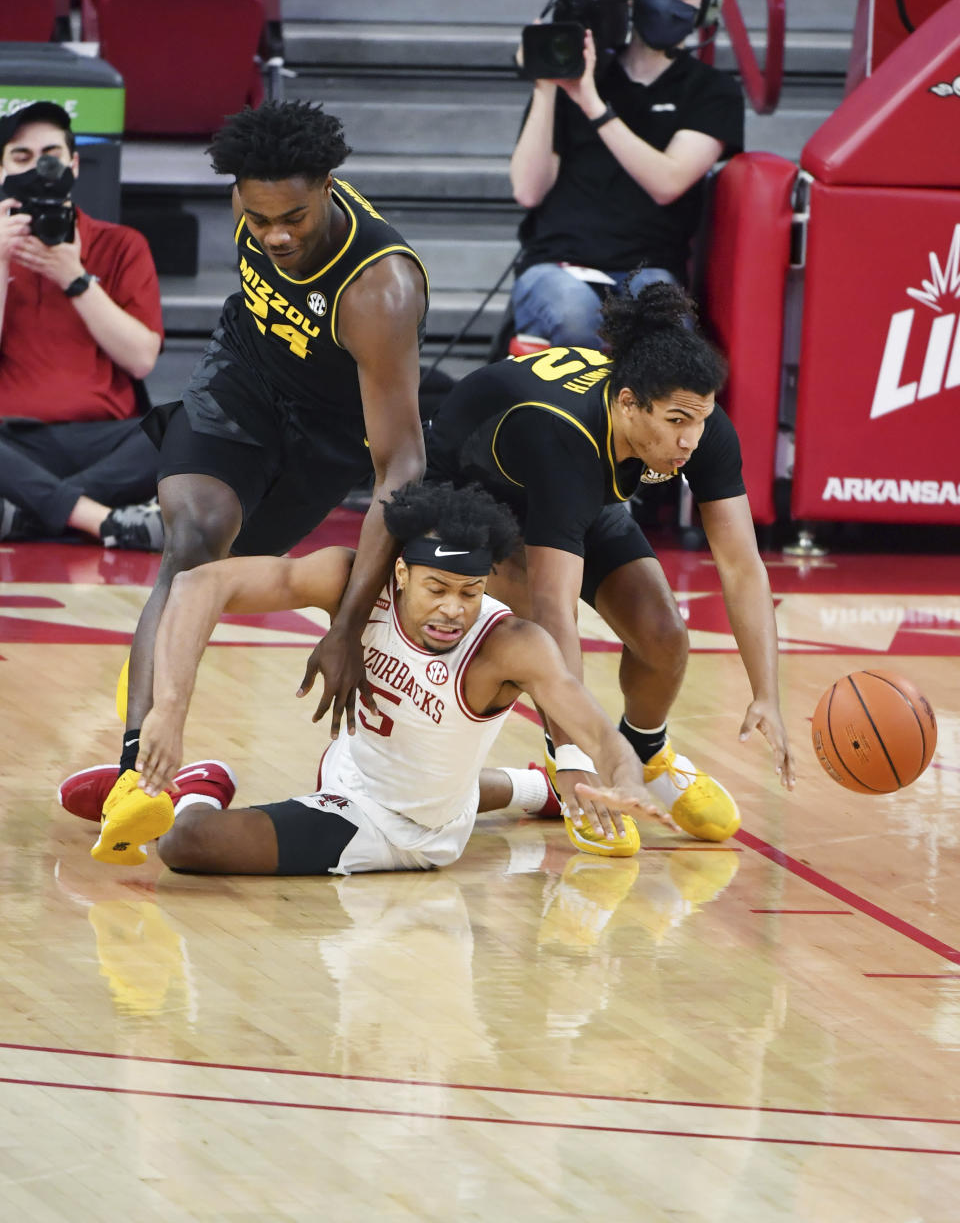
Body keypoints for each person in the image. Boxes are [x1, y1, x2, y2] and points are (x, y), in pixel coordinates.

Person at [58, 482, 674, 872]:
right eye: (437, 588)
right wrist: (168, 710)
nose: (453, 609)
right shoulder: (354, 582)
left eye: (470, 591)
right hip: (354, 773)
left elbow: (594, 726)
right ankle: (534, 790)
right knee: (438, 777)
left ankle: (194, 787)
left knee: (184, 843)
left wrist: (626, 778)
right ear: (402, 574)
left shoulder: (512, 644)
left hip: (405, 822)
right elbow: (198, 584)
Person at [112, 99, 430, 807]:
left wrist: (345, 624)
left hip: (330, 431)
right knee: (192, 543)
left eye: (294, 218)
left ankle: (157, 664)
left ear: (326, 186)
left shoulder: (379, 289)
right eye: (259, 221)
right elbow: (263, 224)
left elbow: (402, 468)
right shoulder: (248, 195)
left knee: (222, 574)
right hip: (246, 379)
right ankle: (137, 769)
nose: (276, 236)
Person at [425, 282, 798, 842]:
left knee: (665, 633)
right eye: (676, 422)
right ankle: (565, 771)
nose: (690, 440)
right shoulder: (565, 434)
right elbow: (555, 611)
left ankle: (647, 749)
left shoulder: (696, 418)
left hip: (577, 495)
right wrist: (577, 756)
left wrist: (766, 693)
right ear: (628, 403)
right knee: (534, 630)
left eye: (699, 421)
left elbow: (743, 566)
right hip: (474, 499)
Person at [510, 0, 744, 348]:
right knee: (579, 317)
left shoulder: (712, 91)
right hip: (555, 266)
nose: (667, 1)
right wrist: (545, 87)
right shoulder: (579, 70)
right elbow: (528, 191)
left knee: (665, 331)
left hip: (650, 269)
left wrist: (593, 106)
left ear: (705, 7)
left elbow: (668, 183)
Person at [0, 101, 165, 550]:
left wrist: (74, 279)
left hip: (105, 439)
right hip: (11, 441)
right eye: (21, 156)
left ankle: (32, 512)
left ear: (73, 164)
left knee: (191, 422)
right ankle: (106, 521)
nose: (39, 167)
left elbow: (141, 359)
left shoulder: (121, 245)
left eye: (51, 154)